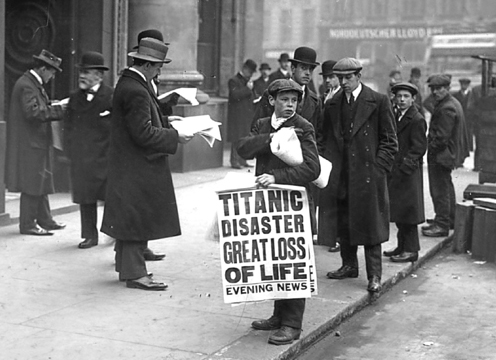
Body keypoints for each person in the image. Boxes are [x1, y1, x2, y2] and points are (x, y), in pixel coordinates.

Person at [101, 37, 194, 290]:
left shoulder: (131, 83)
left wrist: (164, 120)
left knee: (130, 216)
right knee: (135, 219)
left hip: (128, 164)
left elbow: (141, 122)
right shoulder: (136, 89)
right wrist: (176, 136)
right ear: (147, 65)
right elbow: (143, 133)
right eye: (158, 66)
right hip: (137, 165)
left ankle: (127, 268)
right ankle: (135, 274)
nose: (159, 70)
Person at [237, 79, 320, 346]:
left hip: (293, 203)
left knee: (293, 260)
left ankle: (292, 323)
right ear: (272, 101)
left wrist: (275, 176)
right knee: (274, 256)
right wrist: (270, 138)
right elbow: (243, 148)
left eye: (294, 101)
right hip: (269, 204)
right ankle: (278, 314)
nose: (289, 105)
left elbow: (312, 169)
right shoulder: (263, 124)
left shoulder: (303, 127)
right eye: (284, 100)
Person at [321, 58, 398, 293]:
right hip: (343, 174)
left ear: (358, 76)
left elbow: (390, 141)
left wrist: (378, 170)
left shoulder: (378, 101)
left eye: (348, 77)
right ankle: (349, 265)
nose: (343, 82)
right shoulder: (333, 104)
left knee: (371, 226)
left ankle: (374, 275)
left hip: (367, 176)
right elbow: (325, 139)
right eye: (340, 78)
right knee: (344, 222)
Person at [252, 46, 322, 237]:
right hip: (271, 175)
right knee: (271, 234)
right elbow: (256, 128)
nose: (307, 73)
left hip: (300, 178)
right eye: (303, 68)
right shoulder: (274, 93)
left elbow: (318, 137)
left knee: (297, 237)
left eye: (311, 69)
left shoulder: (314, 101)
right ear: (293, 69)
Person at [5, 49, 67, 236]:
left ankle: (44, 220)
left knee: (40, 181)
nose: (53, 76)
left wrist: (53, 105)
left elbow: (37, 108)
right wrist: (60, 109)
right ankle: (28, 225)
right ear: (42, 69)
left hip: (35, 143)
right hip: (31, 144)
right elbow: (33, 113)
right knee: (33, 183)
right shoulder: (28, 85)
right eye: (52, 71)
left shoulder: (30, 83)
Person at [64, 51, 113, 249]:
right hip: (83, 159)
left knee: (111, 198)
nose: (82, 76)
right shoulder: (75, 98)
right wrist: (71, 153)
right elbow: (67, 128)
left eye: (87, 72)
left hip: (105, 158)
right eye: (81, 72)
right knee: (86, 198)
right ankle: (89, 236)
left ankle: (113, 232)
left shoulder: (111, 95)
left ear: (99, 76)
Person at [384, 82, 427, 263]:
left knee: (409, 214)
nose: (401, 100)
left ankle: (411, 250)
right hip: (397, 172)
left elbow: (419, 148)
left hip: (408, 174)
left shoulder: (416, 119)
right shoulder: (396, 115)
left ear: (413, 99)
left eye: (406, 97)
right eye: (399, 96)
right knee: (400, 213)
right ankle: (402, 246)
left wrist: (404, 168)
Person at [421, 74, 468, 237]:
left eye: (439, 88)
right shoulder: (451, 102)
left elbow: (441, 137)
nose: (435, 92)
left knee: (439, 188)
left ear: (447, 88)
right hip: (448, 154)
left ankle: (442, 225)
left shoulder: (446, 107)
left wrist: (430, 148)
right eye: (433, 89)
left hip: (442, 155)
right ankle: (449, 219)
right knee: (446, 185)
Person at [227, 59, 257, 169]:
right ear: (244, 69)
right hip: (237, 115)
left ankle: (243, 160)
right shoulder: (233, 80)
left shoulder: (247, 81)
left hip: (246, 114)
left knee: (245, 138)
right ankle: (234, 161)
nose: (251, 75)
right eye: (250, 72)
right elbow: (235, 95)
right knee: (237, 138)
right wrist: (248, 89)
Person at [453, 78, 473, 151]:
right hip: (459, 117)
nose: (464, 86)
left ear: (468, 85)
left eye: (466, 84)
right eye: (462, 84)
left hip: (468, 118)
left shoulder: (471, 95)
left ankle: (468, 148)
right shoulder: (456, 95)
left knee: (468, 132)